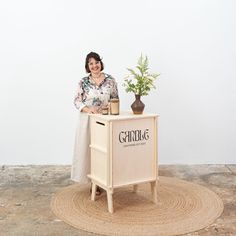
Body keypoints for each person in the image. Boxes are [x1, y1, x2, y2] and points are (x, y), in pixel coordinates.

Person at [71, 52, 119, 194]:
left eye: (96, 62)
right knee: (90, 151)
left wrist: (108, 109)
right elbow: (77, 100)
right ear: (87, 66)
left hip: (105, 120)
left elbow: (115, 99)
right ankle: (94, 183)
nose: (94, 65)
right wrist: (88, 109)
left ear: (100, 63)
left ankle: (105, 180)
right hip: (88, 121)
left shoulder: (111, 80)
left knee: (104, 151)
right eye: (91, 63)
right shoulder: (83, 82)